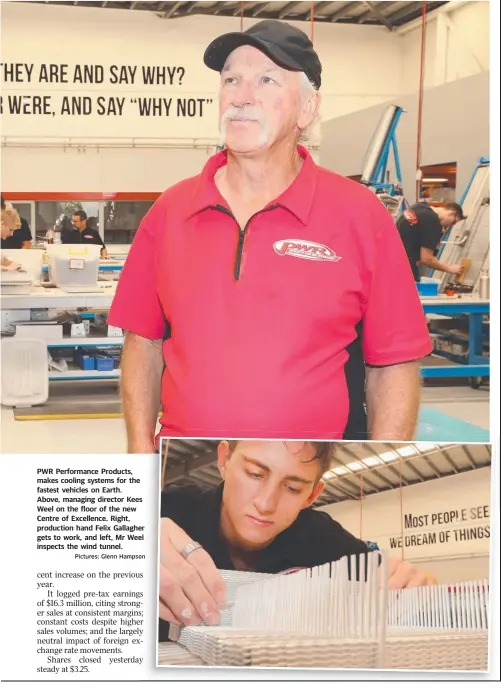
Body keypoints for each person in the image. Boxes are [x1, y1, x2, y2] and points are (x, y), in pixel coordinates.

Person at [108, 20, 432, 453]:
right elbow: (142, 342)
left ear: (307, 108)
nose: (242, 97)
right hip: (185, 471)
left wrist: (385, 468)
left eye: (266, 80)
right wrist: (139, 454)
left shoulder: (359, 214)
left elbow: (393, 361)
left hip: (311, 472)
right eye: (231, 80)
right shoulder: (170, 212)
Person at [158, 440, 434, 638]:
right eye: (255, 474)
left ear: (312, 496)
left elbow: (403, 586)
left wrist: (419, 589)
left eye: (292, 488)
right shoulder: (165, 509)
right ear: (224, 460)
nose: (266, 503)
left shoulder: (325, 539)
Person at [396, 201, 465, 282]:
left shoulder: (420, 206)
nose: (450, 225)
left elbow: (410, 233)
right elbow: (427, 259)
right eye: (453, 222)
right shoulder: (433, 222)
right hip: (403, 268)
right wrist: (450, 269)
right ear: (452, 213)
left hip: (387, 260)